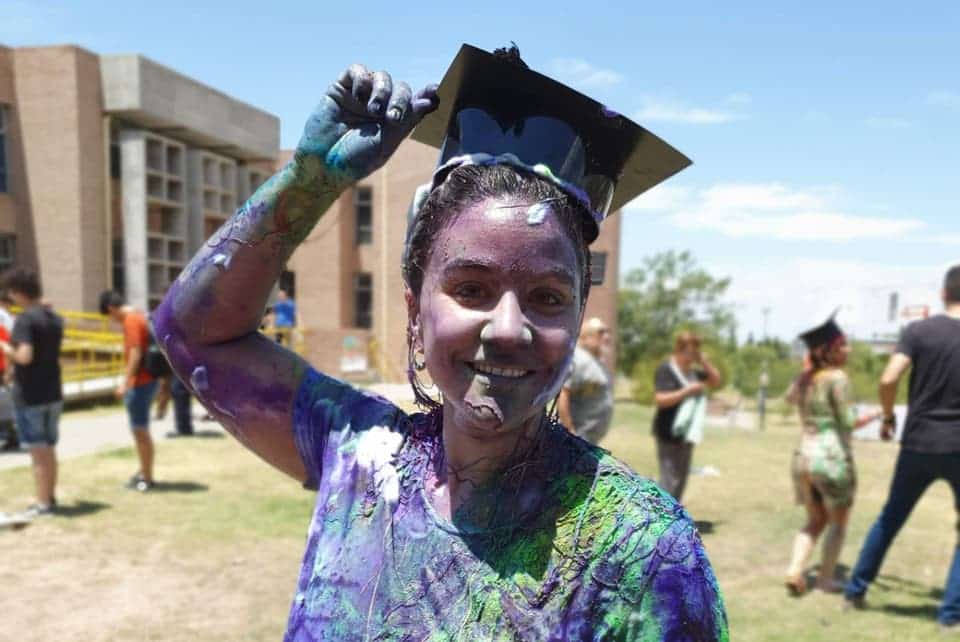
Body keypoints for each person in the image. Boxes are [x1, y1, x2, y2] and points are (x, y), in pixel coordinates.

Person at [154, 44, 727, 639]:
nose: (508, 329)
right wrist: (309, 180)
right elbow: (192, 334)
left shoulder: (644, 553)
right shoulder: (357, 459)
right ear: (414, 307)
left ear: (580, 318)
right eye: (471, 288)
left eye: (548, 298)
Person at [845, 265, 960, 630]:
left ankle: (855, 590)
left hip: (918, 442)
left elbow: (888, 377)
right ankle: (950, 615)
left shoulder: (918, 331)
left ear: (943, 293)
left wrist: (889, 417)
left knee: (891, 517)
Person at [783, 313, 879, 595]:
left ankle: (794, 570)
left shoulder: (805, 379)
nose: (848, 350)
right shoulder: (837, 378)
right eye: (843, 344)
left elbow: (788, 399)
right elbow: (849, 421)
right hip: (832, 459)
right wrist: (875, 414)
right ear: (830, 350)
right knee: (838, 521)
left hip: (802, 457)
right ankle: (826, 579)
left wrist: (805, 370)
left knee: (815, 520)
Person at [0, 269, 63, 515]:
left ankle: (42, 503)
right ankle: (50, 496)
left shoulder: (26, 320)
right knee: (49, 448)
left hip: (30, 395)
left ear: (17, 292)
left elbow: (24, 356)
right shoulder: (54, 317)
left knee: (38, 452)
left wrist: (5, 348)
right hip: (52, 391)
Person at [652, 331, 722, 501]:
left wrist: (704, 361)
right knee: (669, 480)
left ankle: (675, 517)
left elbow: (716, 381)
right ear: (679, 349)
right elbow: (660, 399)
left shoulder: (694, 373)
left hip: (687, 434)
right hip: (667, 433)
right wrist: (687, 391)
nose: (692, 357)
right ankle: (663, 520)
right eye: (689, 352)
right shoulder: (666, 370)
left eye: (695, 353)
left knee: (681, 479)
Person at [99, 290, 158, 491]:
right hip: (148, 380)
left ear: (110, 309)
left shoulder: (131, 320)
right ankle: (144, 471)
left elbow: (135, 352)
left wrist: (125, 382)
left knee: (140, 430)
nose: (112, 321)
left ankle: (147, 477)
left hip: (140, 382)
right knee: (141, 430)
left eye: (109, 316)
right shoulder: (140, 315)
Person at [558, 317, 614, 445]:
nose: (605, 337)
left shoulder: (596, 361)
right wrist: (570, 431)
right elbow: (563, 394)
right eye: (599, 333)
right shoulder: (578, 358)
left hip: (588, 438)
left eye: (606, 333)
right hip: (576, 438)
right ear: (584, 337)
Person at [0, 290, 19, 451]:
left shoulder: (4, 317)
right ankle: (11, 434)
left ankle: (12, 435)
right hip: (6, 364)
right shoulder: (6, 317)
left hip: (3, 364)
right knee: (6, 401)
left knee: (4, 401)